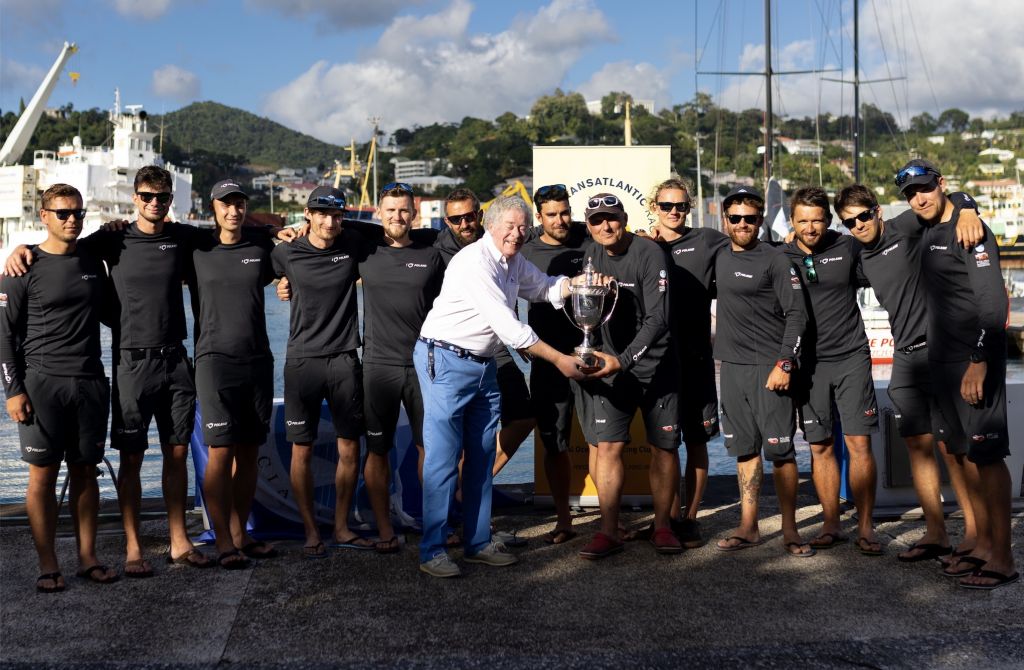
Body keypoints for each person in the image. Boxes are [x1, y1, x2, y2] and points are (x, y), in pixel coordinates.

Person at [4, 166, 216, 574]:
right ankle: (124, 551)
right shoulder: (109, 240)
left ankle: (174, 542)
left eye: (162, 197)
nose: (155, 203)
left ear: (170, 199)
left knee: (170, 456)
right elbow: (55, 256)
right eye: (147, 196)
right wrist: (21, 248)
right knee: (123, 460)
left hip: (165, 362)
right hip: (121, 366)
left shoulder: (177, 239)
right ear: (135, 198)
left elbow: (231, 239)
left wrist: (287, 240)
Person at [414, 195, 588, 578]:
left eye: (523, 226)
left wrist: (578, 285)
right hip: (444, 360)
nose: (518, 232)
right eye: (509, 225)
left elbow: (543, 288)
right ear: (490, 225)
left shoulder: (514, 260)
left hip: (482, 363)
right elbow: (510, 328)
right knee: (443, 459)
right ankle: (432, 551)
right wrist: (560, 359)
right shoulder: (475, 262)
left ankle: (476, 544)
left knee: (479, 455)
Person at [834, 183, 982, 564]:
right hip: (905, 357)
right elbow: (815, 250)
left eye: (864, 215)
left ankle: (974, 532)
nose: (859, 225)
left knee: (953, 448)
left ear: (877, 211)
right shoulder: (856, 253)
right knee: (917, 446)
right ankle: (936, 533)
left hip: (942, 352)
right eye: (850, 222)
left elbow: (942, 204)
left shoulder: (905, 226)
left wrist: (967, 208)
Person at [903, 159, 1018, 589]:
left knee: (987, 458)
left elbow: (992, 305)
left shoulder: (972, 230)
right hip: (941, 362)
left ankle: (1003, 558)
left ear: (942, 185)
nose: (919, 198)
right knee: (963, 454)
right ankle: (982, 543)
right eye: (911, 193)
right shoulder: (928, 227)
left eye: (925, 189)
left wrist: (980, 360)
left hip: (973, 361)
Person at [0, 183, 118, 591]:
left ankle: (88, 558)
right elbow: (3, 335)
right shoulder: (22, 268)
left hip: (89, 382)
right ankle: (48, 564)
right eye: (64, 213)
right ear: (43, 215)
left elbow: (114, 315)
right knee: (42, 477)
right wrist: (12, 390)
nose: (73, 220)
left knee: (86, 472)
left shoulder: (91, 260)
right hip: (41, 385)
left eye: (79, 214)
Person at [573, 193, 683, 559]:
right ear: (588, 225)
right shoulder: (591, 253)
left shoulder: (650, 254)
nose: (606, 226)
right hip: (611, 366)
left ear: (623, 217)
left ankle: (664, 525)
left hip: (656, 368)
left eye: (612, 218)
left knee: (663, 448)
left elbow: (660, 319)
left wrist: (623, 360)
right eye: (596, 220)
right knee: (608, 447)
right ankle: (609, 530)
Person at [270, 185, 374, 557]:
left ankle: (343, 527)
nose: (330, 222)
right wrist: (282, 283)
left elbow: (393, 232)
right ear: (308, 214)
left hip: (345, 358)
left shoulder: (353, 244)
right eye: (322, 214)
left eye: (336, 215)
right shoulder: (286, 253)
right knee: (302, 449)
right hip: (302, 361)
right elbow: (270, 272)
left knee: (350, 447)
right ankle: (311, 531)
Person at [713, 186, 813, 557]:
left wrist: (785, 363)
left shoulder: (775, 259)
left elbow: (797, 315)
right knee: (744, 450)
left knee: (782, 452)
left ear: (760, 221)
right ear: (726, 220)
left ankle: (790, 530)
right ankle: (749, 526)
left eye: (750, 219)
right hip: (733, 368)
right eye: (735, 218)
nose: (742, 224)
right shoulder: (719, 254)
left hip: (771, 369)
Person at [783, 186, 881, 555]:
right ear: (792, 222)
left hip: (851, 356)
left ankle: (867, 526)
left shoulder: (848, 246)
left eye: (817, 220)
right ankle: (830, 525)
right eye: (803, 221)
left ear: (828, 220)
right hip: (809, 365)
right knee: (819, 446)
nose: (810, 227)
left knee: (859, 443)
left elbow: (889, 256)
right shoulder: (782, 255)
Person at [188, 180, 279, 569]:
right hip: (214, 362)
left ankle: (241, 532)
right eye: (226, 204)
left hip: (258, 361)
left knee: (249, 452)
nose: (233, 211)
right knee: (221, 453)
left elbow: (296, 256)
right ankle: (222, 538)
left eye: (239, 204)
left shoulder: (261, 248)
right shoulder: (196, 249)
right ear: (213, 208)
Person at [358, 183, 445, 553]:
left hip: (424, 364)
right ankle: (384, 530)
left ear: (415, 213)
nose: (397, 216)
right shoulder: (363, 249)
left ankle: (434, 526)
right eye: (390, 210)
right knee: (378, 450)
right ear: (380, 213)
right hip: (378, 366)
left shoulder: (433, 252)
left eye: (404, 210)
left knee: (432, 448)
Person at [649, 176, 728, 548]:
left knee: (697, 442)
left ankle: (690, 519)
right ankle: (664, 519)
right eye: (667, 206)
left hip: (697, 359)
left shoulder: (709, 240)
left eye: (681, 206)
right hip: (660, 364)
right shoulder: (642, 247)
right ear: (655, 208)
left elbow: (750, 247)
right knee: (663, 446)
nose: (675, 212)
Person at [520, 184, 589, 544]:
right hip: (548, 360)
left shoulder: (588, 235)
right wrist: (515, 337)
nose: (561, 220)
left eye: (564, 212)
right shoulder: (525, 248)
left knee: (605, 442)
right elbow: (499, 289)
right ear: (538, 217)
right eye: (552, 214)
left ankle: (610, 518)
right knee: (554, 443)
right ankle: (564, 520)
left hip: (591, 356)